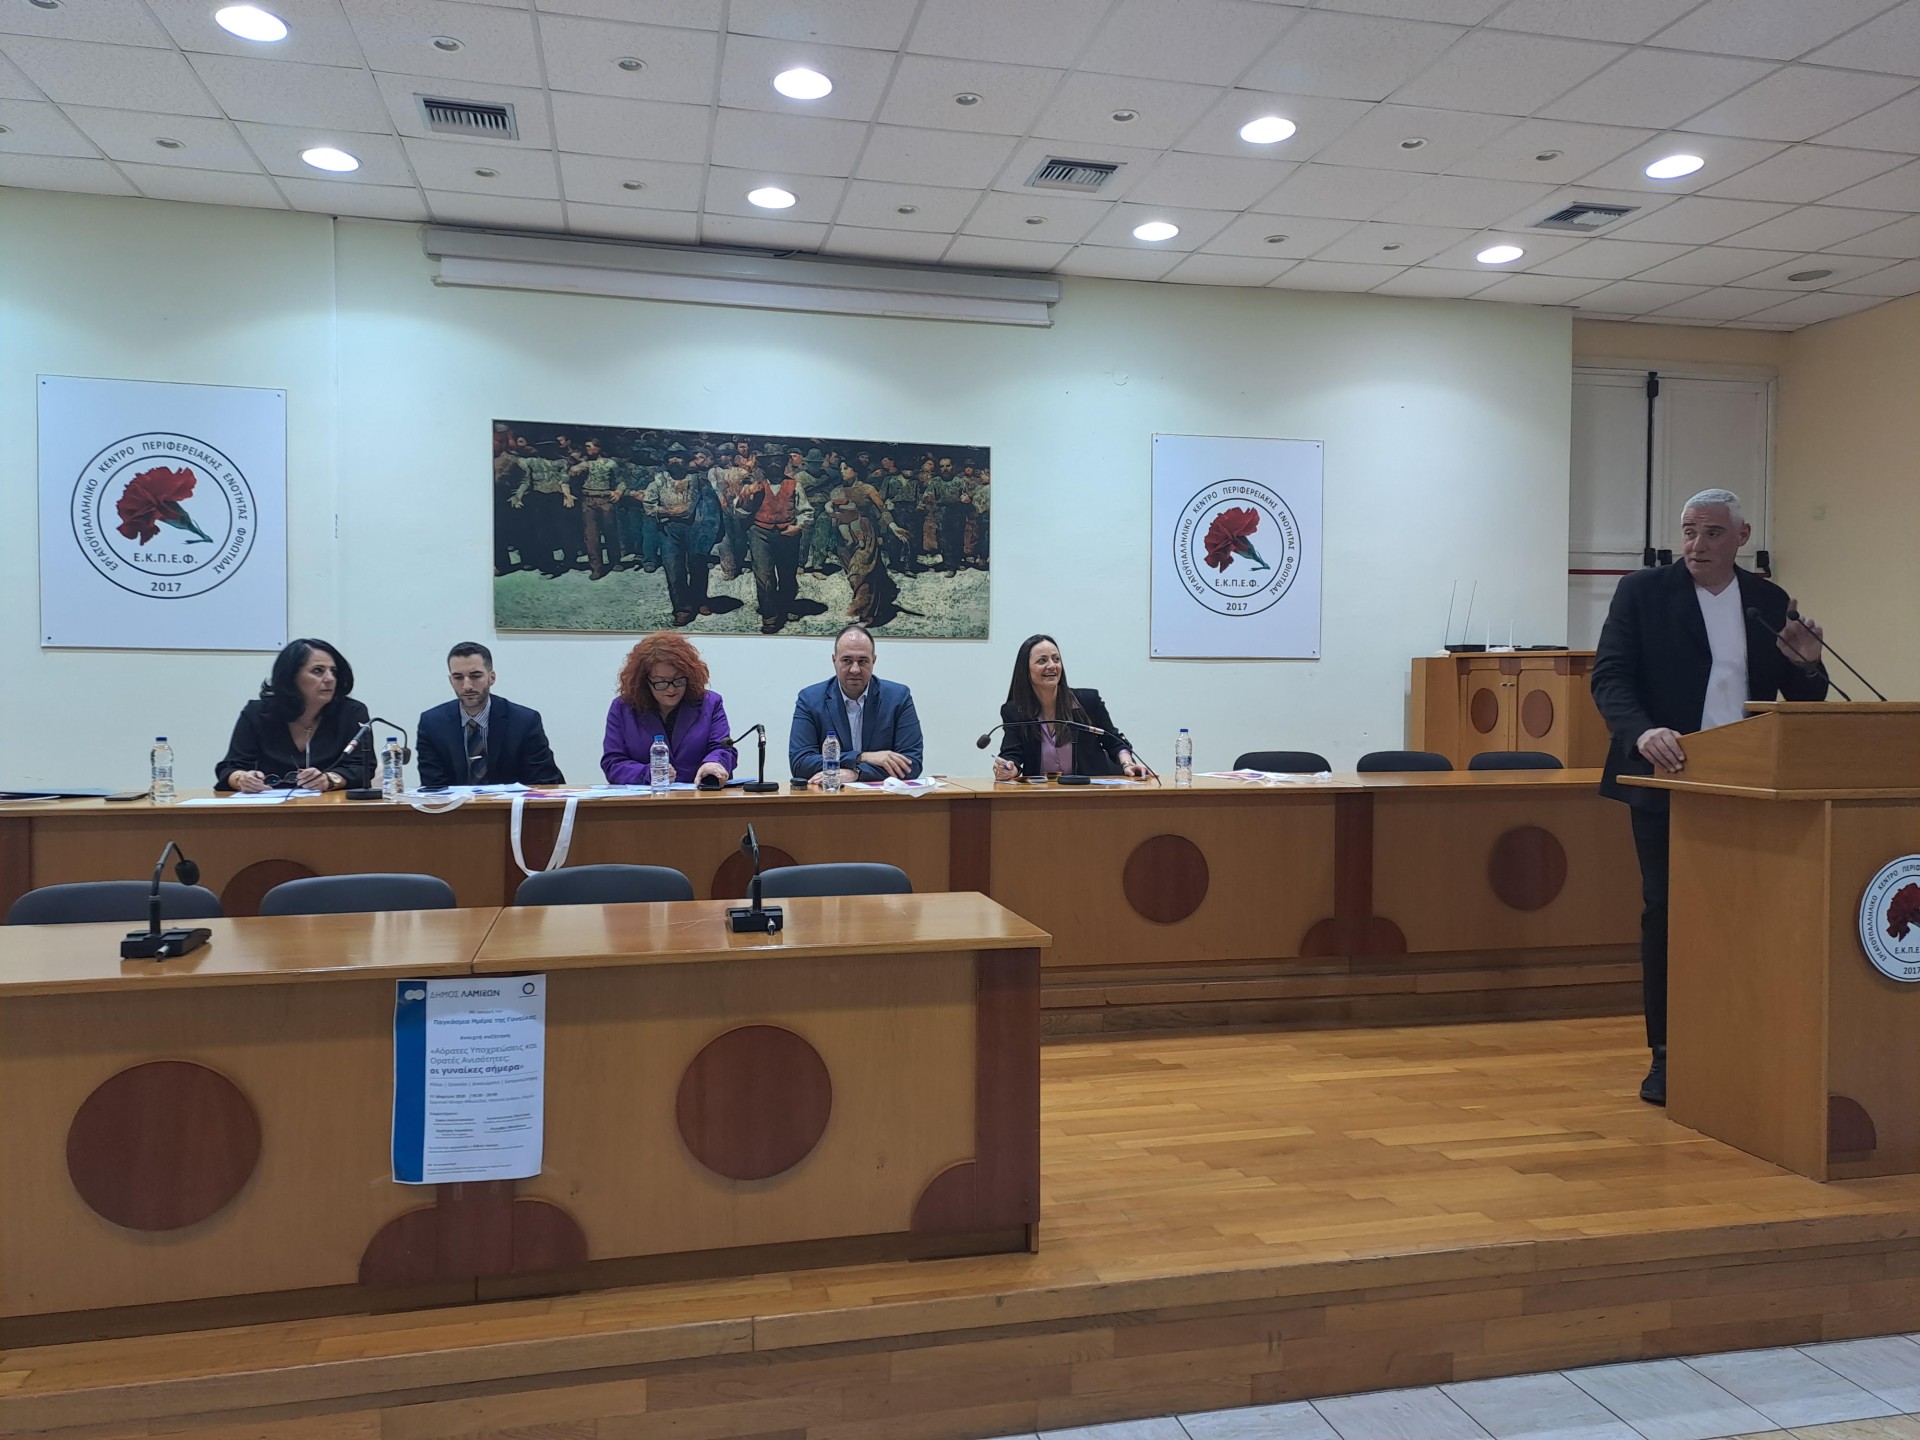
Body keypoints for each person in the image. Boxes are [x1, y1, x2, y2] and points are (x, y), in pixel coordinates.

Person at [1591, 488, 1829, 1108]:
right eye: (1689, 532)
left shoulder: (1767, 602)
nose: (1696, 545)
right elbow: (1610, 676)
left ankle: (1744, 1042)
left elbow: (1804, 702)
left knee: (1748, 914)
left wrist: (1808, 665)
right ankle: (1668, 1055)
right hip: (1668, 777)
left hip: (1747, 784)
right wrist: (1641, 731)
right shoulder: (1642, 592)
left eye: (1712, 533)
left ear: (1742, 537)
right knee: (1667, 913)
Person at [216, 638, 373, 793]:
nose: (330, 679)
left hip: (330, 805)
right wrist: (242, 779)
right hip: (269, 805)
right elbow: (230, 767)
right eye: (318, 671)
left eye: (334, 672)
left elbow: (363, 767)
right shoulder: (258, 713)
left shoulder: (351, 712)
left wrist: (330, 780)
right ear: (291, 676)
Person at [992, 634, 1148, 780]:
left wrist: (1127, 764)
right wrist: (1008, 769)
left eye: (1056, 659)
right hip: (1040, 794)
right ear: (1026, 669)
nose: (1052, 666)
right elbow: (1012, 754)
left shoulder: (1087, 702)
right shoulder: (1014, 711)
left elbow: (1114, 741)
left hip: (1088, 791)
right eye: (1042, 661)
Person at [789, 624, 924, 786]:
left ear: (873, 661)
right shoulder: (810, 699)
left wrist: (856, 773)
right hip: (829, 797)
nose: (855, 669)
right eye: (847, 660)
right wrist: (862, 757)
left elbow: (911, 764)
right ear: (834, 660)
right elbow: (800, 764)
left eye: (862, 661)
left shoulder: (898, 698)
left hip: (882, 799)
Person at [416, 641, 564, 788]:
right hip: (456, 804)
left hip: (511, 803)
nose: (467, 686)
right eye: (458, 677)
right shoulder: (432, 724)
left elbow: (544, 781)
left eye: (475, 676)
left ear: (491, 678)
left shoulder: (524, 721)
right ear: (450, 681)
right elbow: (433, 786)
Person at [601, 631, 736, 786]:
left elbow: (723, 748)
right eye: (661, 682)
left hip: (700, 796)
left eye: (678, 680)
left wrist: (714, 764)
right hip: (647, 797)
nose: (671, 689)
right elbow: (613, 762)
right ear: (644, 682)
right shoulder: (623, 708)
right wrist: (648, 773)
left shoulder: (710, 703)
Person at [735, 453, 814, 634]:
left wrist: (798, 526)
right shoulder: (755, 485)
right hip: (760, 534)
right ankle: (769, 616)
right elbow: (740, 511)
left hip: (787, 534)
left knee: (787, 575)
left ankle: (786, 607)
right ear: (763, 465)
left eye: (778, 461)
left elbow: (806, 511)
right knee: (763, 576)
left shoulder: (794, 485)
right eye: (769, 461)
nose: (773, 465)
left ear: (784, 464)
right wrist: (746, 495)